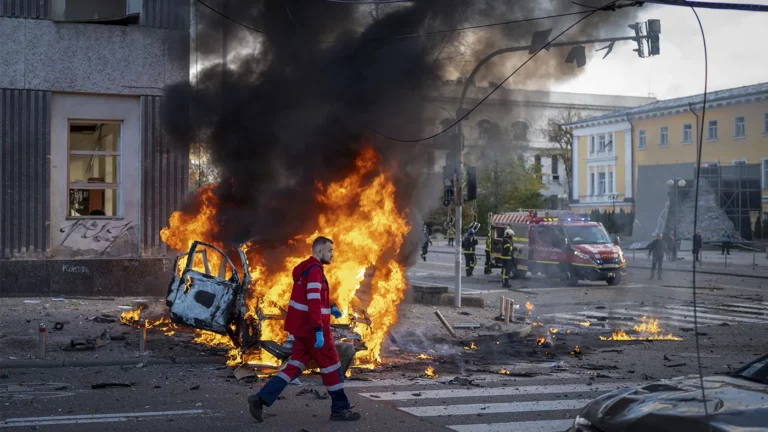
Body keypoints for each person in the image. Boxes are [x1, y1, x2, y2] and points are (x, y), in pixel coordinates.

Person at [248, 236, 360, 422]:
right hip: (314, 332)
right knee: (332, 367)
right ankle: (340, 409)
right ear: (319, 251)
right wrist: (318, 330)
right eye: (330, 250)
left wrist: (329, 308)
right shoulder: (315, 271)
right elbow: (313, 302)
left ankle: (260, 399)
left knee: (293, 367)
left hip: (302, 331)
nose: (333, 254)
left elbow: (311, 299)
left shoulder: (305, 269)